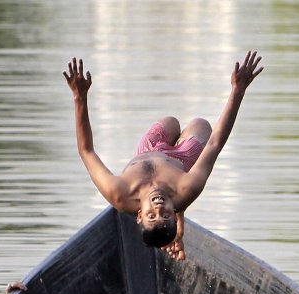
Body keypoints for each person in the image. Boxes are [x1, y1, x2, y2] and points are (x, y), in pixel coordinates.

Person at [63, 51, 264, 260]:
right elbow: (215, 143)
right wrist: (237, 91)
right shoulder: (186, 188)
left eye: (152, 215)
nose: (158, 208)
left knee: (171, 122)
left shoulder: (118, 193)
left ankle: (178, 222)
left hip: (148, 150)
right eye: (166, 214)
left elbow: (86, 151)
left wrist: (80, 97)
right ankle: (180, 217)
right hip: (181, 158)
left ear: (140, 215)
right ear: (172, 210)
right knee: (201, 125)